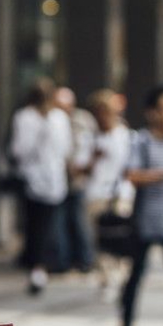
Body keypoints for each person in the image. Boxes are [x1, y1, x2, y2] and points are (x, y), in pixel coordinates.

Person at [119, 86, 163, 326]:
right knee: (135, 276)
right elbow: (131, 175)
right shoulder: (141, 140)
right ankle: (126, 325)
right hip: (145, 220)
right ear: (152, 112)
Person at [9, 78, 72, 294]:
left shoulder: (53, 118)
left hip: (47, 179)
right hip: (38, 180)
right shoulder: (30, 117)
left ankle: (41, 265)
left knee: (42, 225)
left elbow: (63, 149)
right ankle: (39, 266)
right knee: (39, 226)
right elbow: (21, 150)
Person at [84, 88, 134, 293]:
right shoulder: (91, 137)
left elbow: (131, 168)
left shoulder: (126, 136)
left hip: (121, 194)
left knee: (121, 237)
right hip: (96, 194)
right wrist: (94, 158)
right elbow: (79, 168)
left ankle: (124, 276)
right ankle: (105, 279)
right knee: (99, 239)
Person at [53, 87, 96, 273]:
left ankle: (85, 259)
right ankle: (63, 260)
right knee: (59, 222)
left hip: (77, 177)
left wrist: (83, 166)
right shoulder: (53, 119)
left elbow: (89, 144)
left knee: (79, 220)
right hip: (57, 178)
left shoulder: (82, 120)